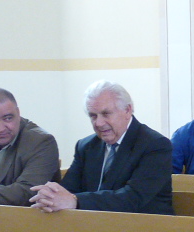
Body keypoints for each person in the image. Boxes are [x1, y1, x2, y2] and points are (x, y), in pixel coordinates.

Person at [30, 80, 173, 214]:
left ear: (127, 110)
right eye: (93, 116)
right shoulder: (85, 146)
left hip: (144, 226)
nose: (98, 123)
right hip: (92, 226)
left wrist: (76, 201)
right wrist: (51, 196)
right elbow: (69, 189)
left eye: (106, 114)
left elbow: (133, 197)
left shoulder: (155, 145)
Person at [0, 88, 59, 206]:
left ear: (18, 113)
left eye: (8, 118)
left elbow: (28, 192)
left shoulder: (41, 142)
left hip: (24, 215)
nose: (0, 128)